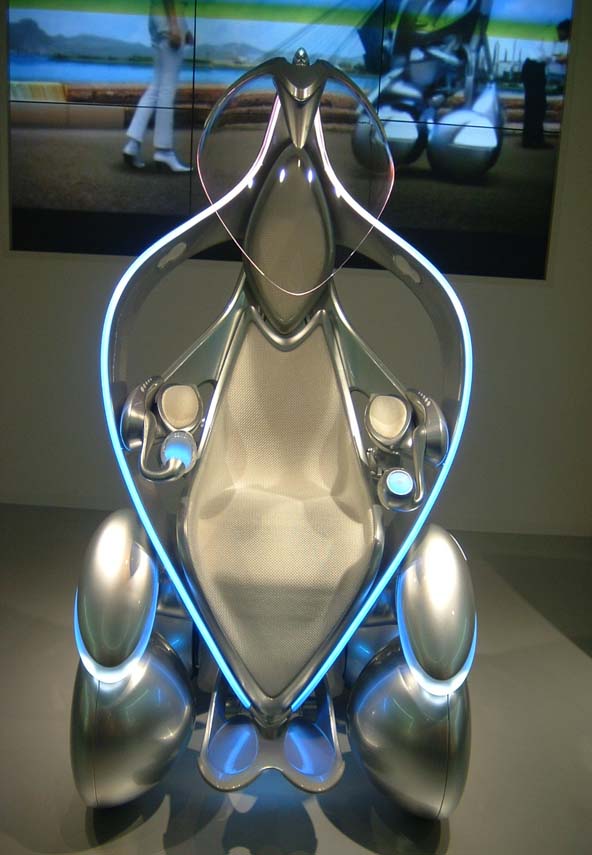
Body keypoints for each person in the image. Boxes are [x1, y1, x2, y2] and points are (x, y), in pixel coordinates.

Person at [123, 0, 193, 172]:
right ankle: (164, 151)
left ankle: (132, 145)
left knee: (156, 87)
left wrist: (184, 28)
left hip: (158, 17)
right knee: (167, 89)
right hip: (169, 19)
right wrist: (176, 26)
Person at [521, 18, 571, 150]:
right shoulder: (550, 37)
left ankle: (530, 139)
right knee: (537, 106)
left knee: (533, 106)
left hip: (532, 69)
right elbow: (546, 56)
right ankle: (534, 140)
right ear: (563, 31)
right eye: (567, 35)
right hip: (534, 69)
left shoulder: (548, 33)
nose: (566, 39)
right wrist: (561, 58)